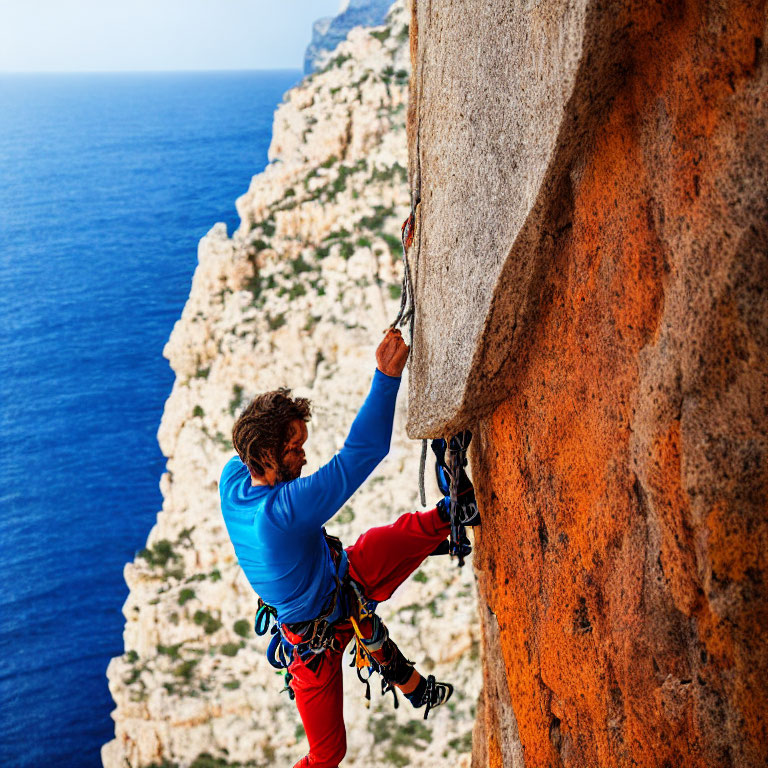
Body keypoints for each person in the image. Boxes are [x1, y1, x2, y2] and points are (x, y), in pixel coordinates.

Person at [219, 327, 478, 768]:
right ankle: (447, 518)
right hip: (313, 645)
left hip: (341, 579)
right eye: (294, 448)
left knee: (392, 539)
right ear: (265, 454)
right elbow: (362, 453)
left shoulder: (233, 478)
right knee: (327, 754)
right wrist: (385, 377)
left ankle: (451, 513)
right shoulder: (282, 514)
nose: (303, 456)